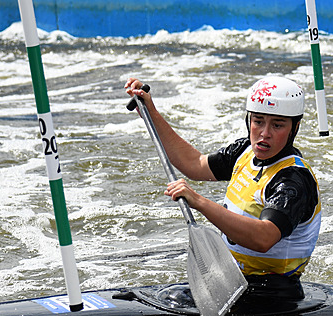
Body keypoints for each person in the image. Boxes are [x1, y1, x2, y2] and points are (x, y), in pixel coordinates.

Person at [125, 76, 321, 303]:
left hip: (274, 293)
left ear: (294, 128)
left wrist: (199, 202)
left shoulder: (292, 180)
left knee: (173, 298)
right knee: (163, 295)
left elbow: (264, 237)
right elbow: (194, 163)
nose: (264, 133)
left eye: (277, 125)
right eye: (258, 121)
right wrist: (149, 111)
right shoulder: (245, 151)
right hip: (234, 280)